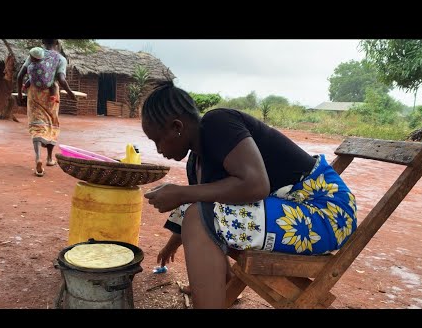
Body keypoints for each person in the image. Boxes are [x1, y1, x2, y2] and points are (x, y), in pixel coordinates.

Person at [142, 82, 358, 309]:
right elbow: (200, 200)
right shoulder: (197, 161)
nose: (158, 149)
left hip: (326, 213)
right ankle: (221, 287)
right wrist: (171, 245)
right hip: (294, 210)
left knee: (200, 216)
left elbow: (256, 185)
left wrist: (181, 192)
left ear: (177, 127)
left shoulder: (217, 124)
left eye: (157, 140)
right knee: (199, 210)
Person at [17, 39, 77, 177]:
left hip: (34, 94)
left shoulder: (34, 55)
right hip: (51, 96)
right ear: (56, 42)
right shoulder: (60, 59)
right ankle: (49, 158)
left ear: (43, 41)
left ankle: (38, 158)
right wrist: (70, 93)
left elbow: (20, 76)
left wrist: (20, 95)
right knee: (51, 123)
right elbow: (61, 80)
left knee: (37, 125)